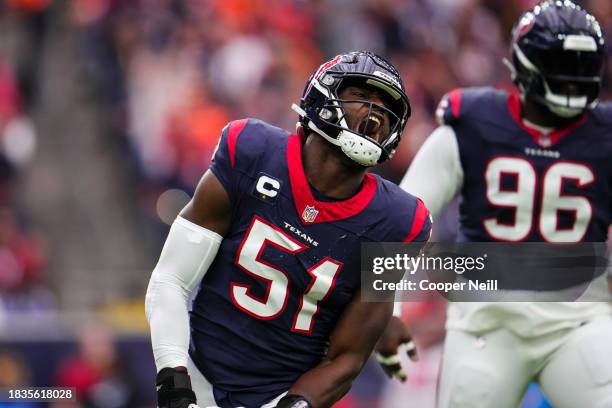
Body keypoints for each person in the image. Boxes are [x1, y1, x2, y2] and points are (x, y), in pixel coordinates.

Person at [145, 51, 431, 408]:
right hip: (198, 370)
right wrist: (173, 377)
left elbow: (346, 357)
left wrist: (296, 405)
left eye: (387, 107)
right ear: (323, 96)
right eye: (363, 96)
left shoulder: (398, 222)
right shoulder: (250, 152)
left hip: (279, 394)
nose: (376, 114)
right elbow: (171, 279)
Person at [396, 1, 612, 407]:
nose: (574, 78)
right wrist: (386, 310)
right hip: (487, 324)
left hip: (579, 321)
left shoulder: (605, 133)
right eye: (563, 64)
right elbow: (397, 222)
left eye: (584, 65)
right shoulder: (474, 123)